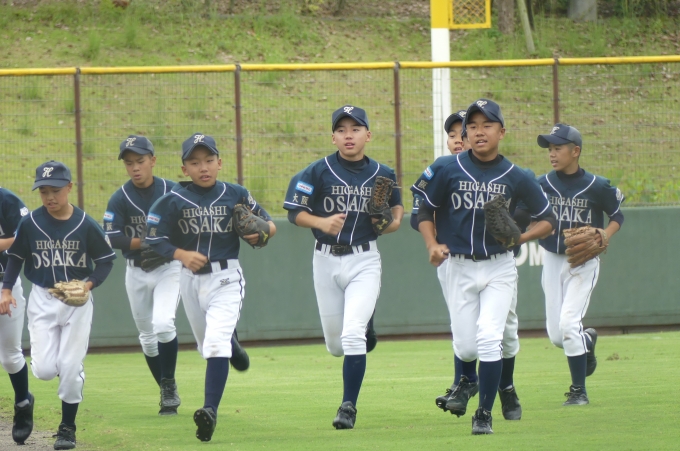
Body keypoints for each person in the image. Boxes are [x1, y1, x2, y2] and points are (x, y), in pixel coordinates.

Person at [411, 99, 556, 435]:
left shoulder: (517, 175)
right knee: (466, 347)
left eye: (487, 125)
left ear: (501, 132)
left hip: (498, 266)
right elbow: (424, 211)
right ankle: (474, 384)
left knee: (492, 336)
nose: (479, 131)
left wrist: (521, 238)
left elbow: (548, 218)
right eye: (473, 126)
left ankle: (484, 414)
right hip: (458, 266)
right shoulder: (447, 168)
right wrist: (431, 244)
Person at [145, 133, 275, 442]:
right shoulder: (172, 200)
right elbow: (153, 237)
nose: (203, 167)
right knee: (209, 347)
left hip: (226, 277)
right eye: (194, 162)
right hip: (190, 280)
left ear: (219, 162)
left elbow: (269, 224)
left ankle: (209, 411)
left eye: (208, 160)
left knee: (215, 345)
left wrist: (262, 233)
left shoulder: (236, 193)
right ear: (184, 168)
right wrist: (180, 254)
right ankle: (232, 342)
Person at [283, 105, 404, 430]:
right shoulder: (316, 171)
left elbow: (396, 208)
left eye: (355, 129)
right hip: (325, 259)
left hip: (364, 258)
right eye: (341, 130)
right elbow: (294, 212)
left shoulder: (382, 172)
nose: (348, 135)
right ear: (333, 137)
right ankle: (365, 326)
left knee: (351, 336)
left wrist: (392, 223)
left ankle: (348, 406)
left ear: (368, 135)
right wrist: (321, 221)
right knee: (336, 346)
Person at [0, 161, 116, 450]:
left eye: (55, 190)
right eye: (44, 191)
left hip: (76, 300)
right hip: (42, 297)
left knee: (69, 366)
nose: (50, 197)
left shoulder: (85, 223)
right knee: (43, 370)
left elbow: (105, 261)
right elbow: (15, 257)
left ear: (69, 187)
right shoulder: (31, 223)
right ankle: (67, 376)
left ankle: (67, 428)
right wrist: (6, 289)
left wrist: (88, 285)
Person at [536, 124, 624, 405]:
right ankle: (586, 341)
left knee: (568, 323)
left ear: (575, 151)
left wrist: (604, 234)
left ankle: (579, 391)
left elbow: (617, 215)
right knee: (557, 336)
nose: (552, 153)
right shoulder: (542, 184)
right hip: (552, 259)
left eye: (557, 148)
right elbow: (525, 212)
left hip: (583, 262)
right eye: (549, 149)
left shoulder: (597, 185)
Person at [0, 187, 32, 444]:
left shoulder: (6, 200)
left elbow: (26, 234)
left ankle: (23, 403)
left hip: (5, 284)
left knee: (10, 355)